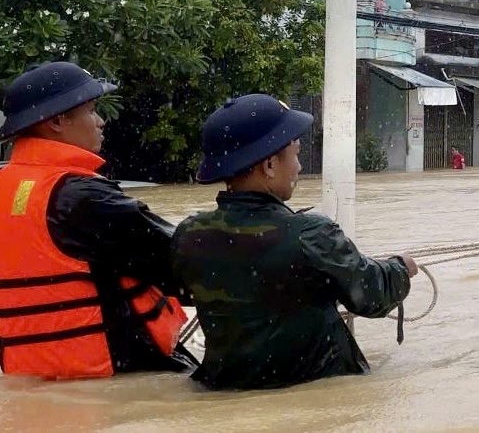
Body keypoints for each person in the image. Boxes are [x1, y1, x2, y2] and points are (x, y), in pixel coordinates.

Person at [172, 94, 417, 391]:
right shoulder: (311, 235)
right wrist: (400, 268)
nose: (299, 167)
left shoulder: (189, 236)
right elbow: (371, 295)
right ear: (271, 165)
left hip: (225, 390)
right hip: (319, 395)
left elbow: (186, 293)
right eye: (296, 154)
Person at [0, 62, 189, 380]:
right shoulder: (80, 196)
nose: (101, 122)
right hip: (121, 377)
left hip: (32, 384)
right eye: (91, 111)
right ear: (57, 121)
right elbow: (182, 259)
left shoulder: (8, 185)